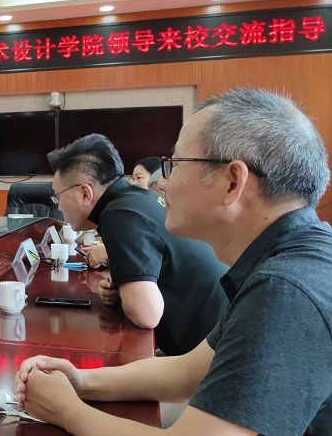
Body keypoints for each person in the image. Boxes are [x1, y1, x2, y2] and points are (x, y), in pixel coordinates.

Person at [14, 88, 332, 434]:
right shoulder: (293, 260)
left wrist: (64, 409)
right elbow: (188, 373)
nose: (162, 184)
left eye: (175, 165)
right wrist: (81, 381)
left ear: (233, 182)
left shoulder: (286, 291)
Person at [44, 134, 227, 355]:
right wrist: (122, 288)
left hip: (212, 355)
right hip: (213, 339)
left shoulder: (119, 215)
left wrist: (131, 297)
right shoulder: (136, 199)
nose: (58, 206)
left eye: (57, 196)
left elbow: (146, 315)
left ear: (85, 193)